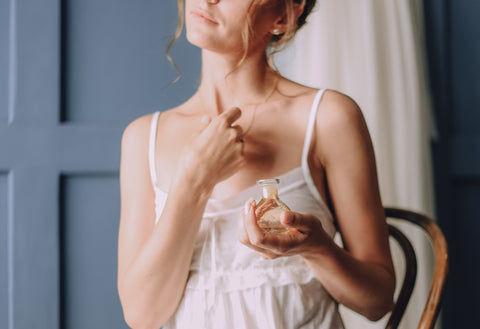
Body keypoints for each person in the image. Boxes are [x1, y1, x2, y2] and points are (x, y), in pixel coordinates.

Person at [117, 0, 396, 328]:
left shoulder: (329, 118)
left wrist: (316, 246)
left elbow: (377, 301)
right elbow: (141, 316)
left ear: (283, 15)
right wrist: (194, 181)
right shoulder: (143, 138)